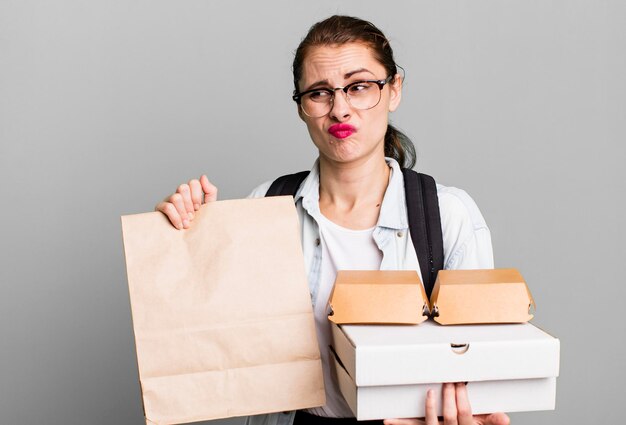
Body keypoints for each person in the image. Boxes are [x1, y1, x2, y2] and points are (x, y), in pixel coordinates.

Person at [156, 15, 510, 425]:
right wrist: (191, 239)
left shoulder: (447, 214)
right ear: (302, 107)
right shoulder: (268, 207)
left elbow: (481, 367)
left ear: (394, 90)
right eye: (320, 93)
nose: (340, 109)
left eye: (359, 87)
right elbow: (213, 344)